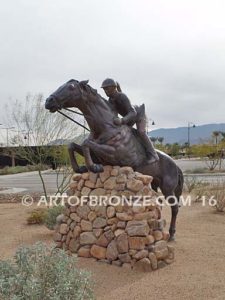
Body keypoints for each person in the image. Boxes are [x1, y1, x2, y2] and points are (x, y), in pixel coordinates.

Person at [101, 78, 159, 164]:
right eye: (104, 89)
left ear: (113, 87)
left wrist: (122, 120)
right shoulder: (111, 100)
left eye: (107, 88)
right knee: (123, 132)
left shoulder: (122, 96)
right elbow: (114, 115)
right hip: (129, 118)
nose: (105, 91)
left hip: (138, 114)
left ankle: (154, 155)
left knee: (141, 132)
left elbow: (133, 112)